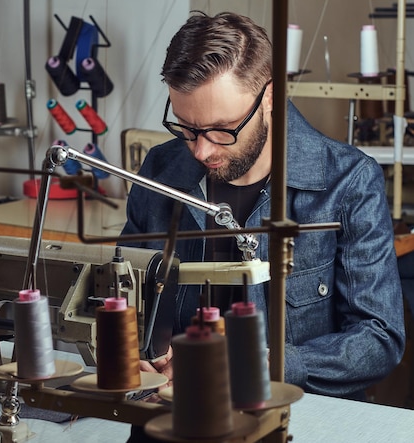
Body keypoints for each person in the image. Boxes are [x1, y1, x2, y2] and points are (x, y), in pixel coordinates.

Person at [119, 11, 405, 401]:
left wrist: (254, 365)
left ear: (269, 97)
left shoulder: (349, 183)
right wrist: (139, 350)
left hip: (297, 417)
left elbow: (379, 338)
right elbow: (124, 293)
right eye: (186, 128)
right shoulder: (160, 168)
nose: (201, 150)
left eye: (222, 130)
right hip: (176, 408)